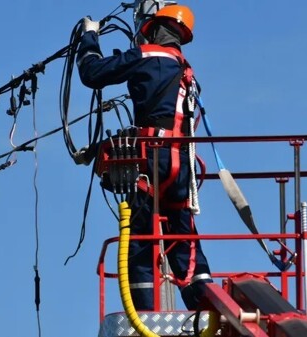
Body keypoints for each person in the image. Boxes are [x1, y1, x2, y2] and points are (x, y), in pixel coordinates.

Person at [76, 5, 212, 311]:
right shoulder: (186, 72)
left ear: (149, 29)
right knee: (185, 240)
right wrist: (99, 149)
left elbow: (92, 73)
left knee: (140, 243)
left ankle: (147, 315)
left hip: (152, 162)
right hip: (181, 168)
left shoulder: (146, 57)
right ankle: (205, 304)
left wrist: (89, 37)